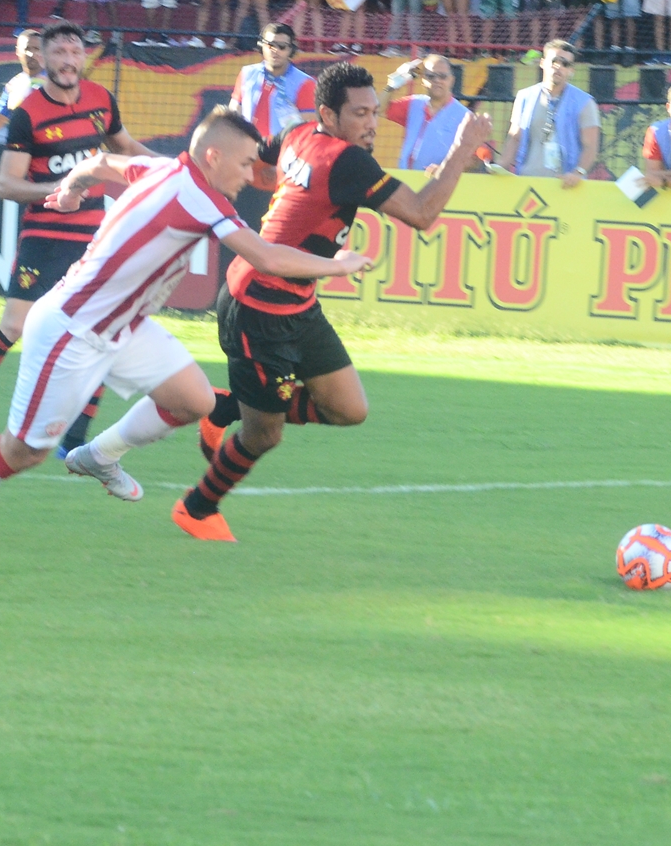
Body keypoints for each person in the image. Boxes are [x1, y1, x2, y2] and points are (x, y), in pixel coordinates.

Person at [0, 108, 375, 540]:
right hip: (72, 331)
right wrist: (340, 264)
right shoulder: (201, 199)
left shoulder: (164, 167)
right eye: (247, 163)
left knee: (195, 400)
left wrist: (73, 185)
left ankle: (98, 456)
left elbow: (104, 162)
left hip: (123, 327)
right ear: (213, 156)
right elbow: (267, 257)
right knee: (24, 450)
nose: (252, 175)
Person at [171, 62, 493, 542]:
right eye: (360, 114)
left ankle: (230, 405)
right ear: (328, 113)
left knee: (349, 409)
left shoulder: (298, 133)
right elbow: (423, 214)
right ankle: (197, 508)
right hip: (259, 308)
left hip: (297, 301)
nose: (371, 123)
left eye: (375, 112)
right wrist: (464, 144)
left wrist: (303, 212)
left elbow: (262, 171)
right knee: (265, 435)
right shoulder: (347, 162)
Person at [0, 21, 157, 461]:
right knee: (13, 326)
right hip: (45, 235)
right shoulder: (28, 112)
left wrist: (172, 167)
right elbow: (6, 185)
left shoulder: (100, 100)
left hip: (92, 235)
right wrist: (56, 193)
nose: (68, 60)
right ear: (44, 60)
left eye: (75, 52)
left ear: (84, 58)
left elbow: (124, 146)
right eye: (59, 53)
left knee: (99, 334)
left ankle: (74, 441)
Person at [497, 39, 601, 186]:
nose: (558, 67)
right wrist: (501, 166)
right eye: (554, 61)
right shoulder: (524, 97)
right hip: (527, 181)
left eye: (565, 64)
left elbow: (591, 146)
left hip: (565, 186)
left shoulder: (585, 102)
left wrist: (578, 173)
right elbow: (514, 138)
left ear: (571, 70)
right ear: (542, 63)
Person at [230, 22, 316, 193]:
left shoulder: (305, 83)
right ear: (262, 45)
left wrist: (278, 164)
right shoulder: (247, 73)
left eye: (282, 46)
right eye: (270, 45)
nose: (275, 51)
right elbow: (233, 116)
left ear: (291, 50)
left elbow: (307, 133)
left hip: (281, 168)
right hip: (244, 163)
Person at [382, 54, 471, 171]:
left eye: (443, 76)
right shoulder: (413, 103)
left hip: (440, 184)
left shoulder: (465, 116)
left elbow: (474, 159)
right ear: (423, 80)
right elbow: (378, 109)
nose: (437, 80)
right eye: (431, 76)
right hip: (406, 181)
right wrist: (392, 84)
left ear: (451, 80)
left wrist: (446, 170)